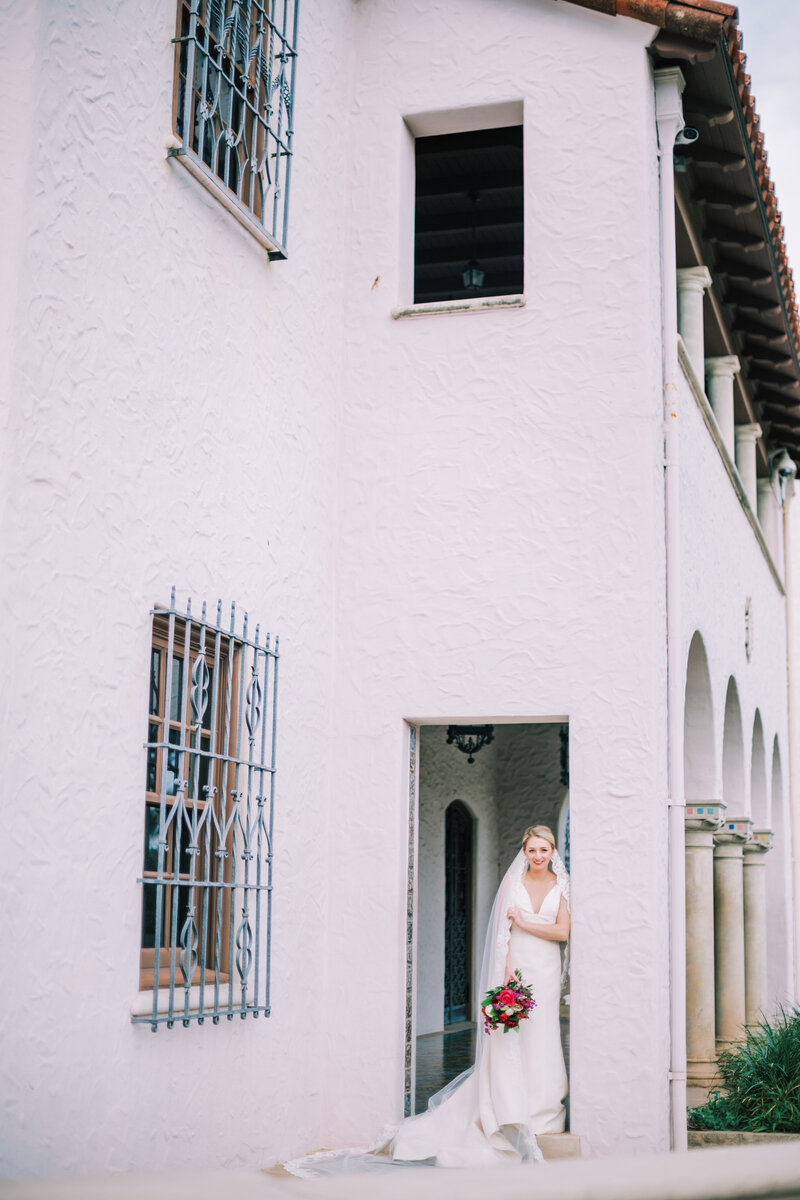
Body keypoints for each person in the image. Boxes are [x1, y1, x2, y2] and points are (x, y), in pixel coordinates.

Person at [285, 823, 570, 1176]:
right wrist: (507, 973)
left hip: (545, 970)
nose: (538, 856)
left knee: (543, 1037)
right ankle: (510, 1108)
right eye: (532, 850)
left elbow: (562, 931)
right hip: (519, 970)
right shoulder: (512, 884)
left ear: (552, 852)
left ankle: (544, 1110)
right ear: (524, 852)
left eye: (544, 850)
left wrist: (526, 921)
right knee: (512, 1037)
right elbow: (502, 935)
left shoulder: (561, 886)